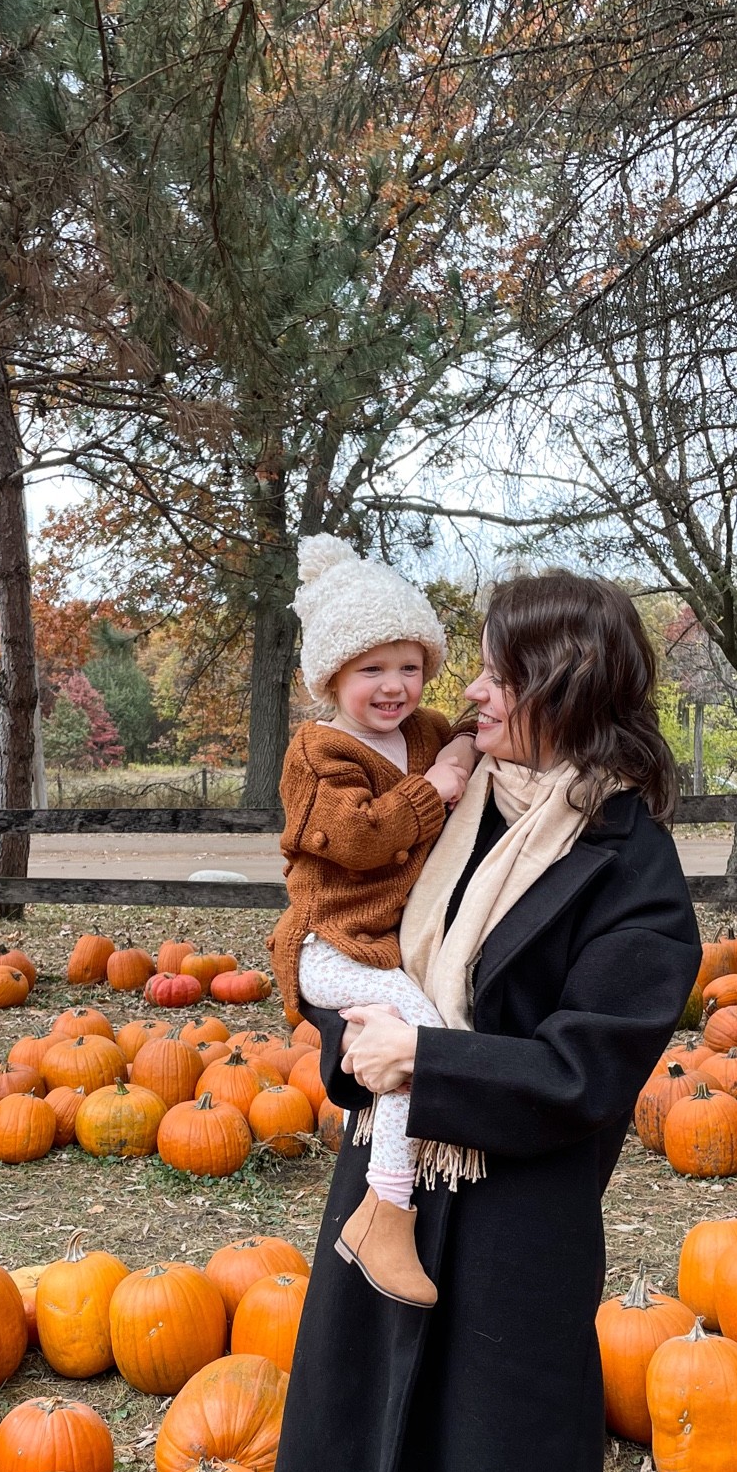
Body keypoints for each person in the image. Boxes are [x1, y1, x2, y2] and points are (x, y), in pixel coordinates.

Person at [265, 569, 701, 1472]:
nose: (471, 692)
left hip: (516, 1205)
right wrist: (346, 1027)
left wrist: (432, 1066)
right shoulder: (445, 821)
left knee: (495, 1461)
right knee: (357, 1415)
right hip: (389, 1177)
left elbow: (589, 1064)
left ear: (564, 690)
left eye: (499, 674)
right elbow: (354, 960)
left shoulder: (629, 863)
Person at [267, 534, 480, 1309]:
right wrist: (438, 789)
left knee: (414, 1040)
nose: (394, 687)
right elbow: (356, 839)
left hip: (385, 944)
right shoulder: (321, 749)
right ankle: (387, 1210)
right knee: (416, 1036)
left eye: (410, 666)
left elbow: (463, 737)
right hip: (329, 942)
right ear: (332, 676)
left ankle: (387, 1202)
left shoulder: (421, 731)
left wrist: (457, 749)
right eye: (372, 670)